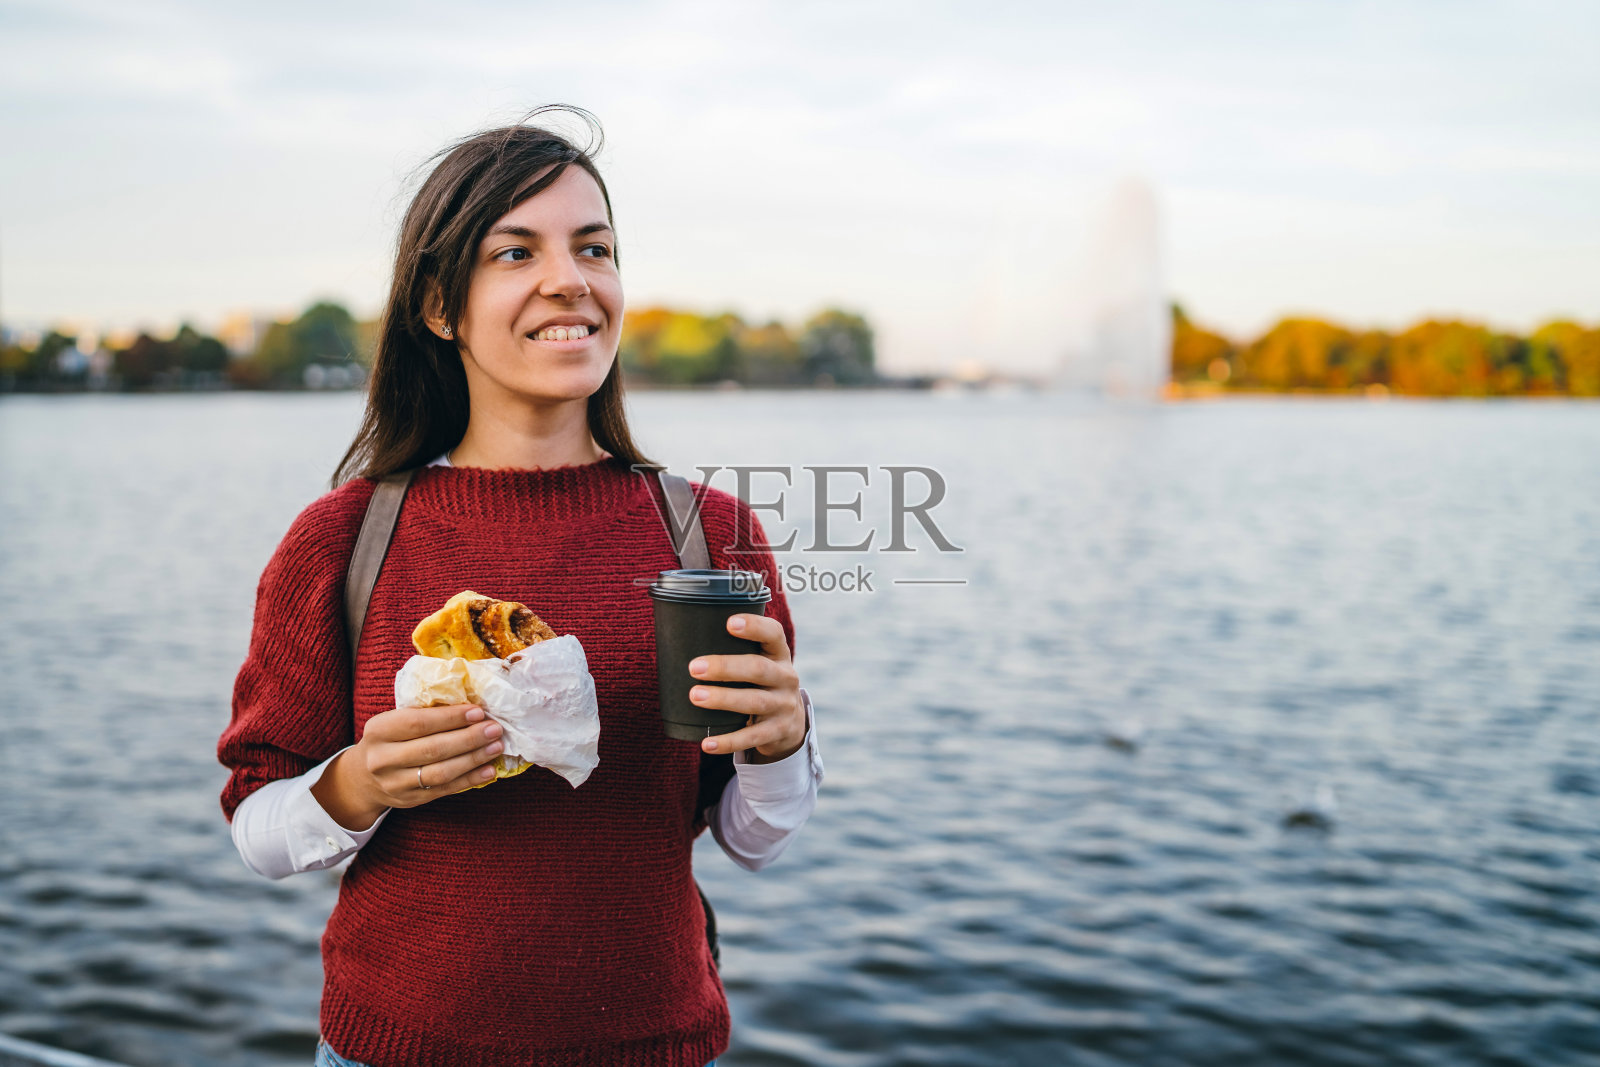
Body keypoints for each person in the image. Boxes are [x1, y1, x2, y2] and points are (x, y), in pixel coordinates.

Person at [217, 108, 823, 1067]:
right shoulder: (342, 538)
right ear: (437, 306)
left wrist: (783, 742)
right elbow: (258, 828)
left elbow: (754, 838)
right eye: (514, 251)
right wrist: (360, 784)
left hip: (656, 1045)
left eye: (595, 247)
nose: (570, 279)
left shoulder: (711, 533)